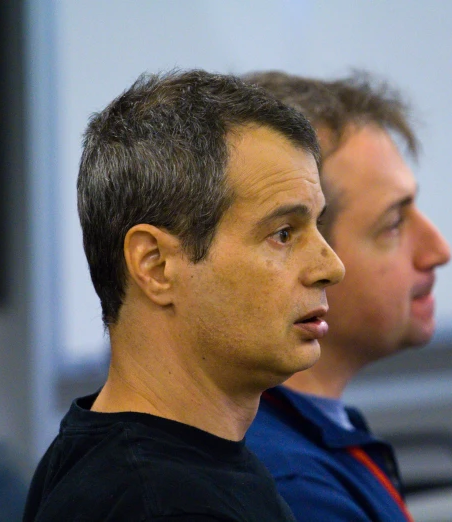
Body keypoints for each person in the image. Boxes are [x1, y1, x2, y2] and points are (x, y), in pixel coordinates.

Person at [23, 70, 345, 522]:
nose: (331, 267)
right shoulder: (159, 505)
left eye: (318, 226)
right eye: (283, 233)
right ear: (155, 265)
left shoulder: (138, 458)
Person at [244, 71, 452, 522]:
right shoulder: (293, 490)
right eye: (393, 224)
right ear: (301, 253)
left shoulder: (308, 439)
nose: (439, 250)